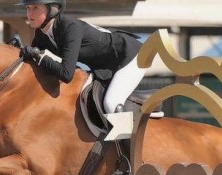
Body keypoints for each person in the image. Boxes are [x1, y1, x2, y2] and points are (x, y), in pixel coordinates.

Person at [16, 0, 145, 114]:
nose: (29, 13)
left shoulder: (70, 27)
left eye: (35, 8)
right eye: (28, 8)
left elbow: (66, 74)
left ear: (52, 9)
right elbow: (32, 58)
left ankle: (133, 141)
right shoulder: (41, 34)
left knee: (111, 104)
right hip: (104, 67)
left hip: (130, 55)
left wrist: (40, 57)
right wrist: (17, 51)